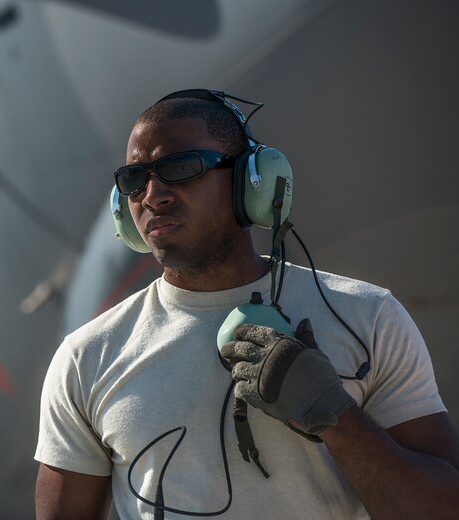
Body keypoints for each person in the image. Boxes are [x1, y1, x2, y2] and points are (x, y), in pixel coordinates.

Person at [34, 90, 459, 519]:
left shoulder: (369, 318)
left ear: (252, 180)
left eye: (181, 168)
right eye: (134, 179)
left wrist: (334, 415)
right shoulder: (86, 357)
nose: (153, 195)